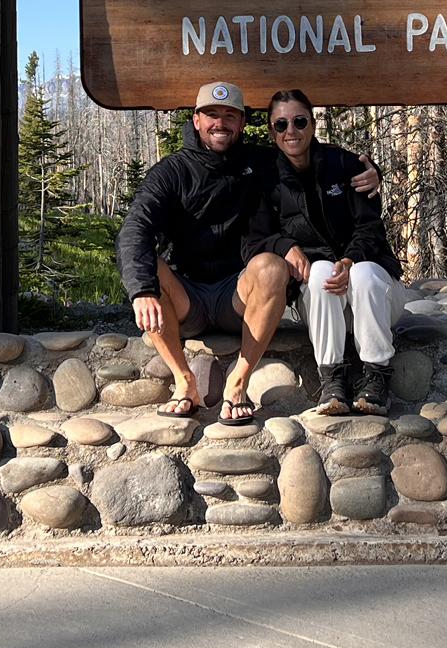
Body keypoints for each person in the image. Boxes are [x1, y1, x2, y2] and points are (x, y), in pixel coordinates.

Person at [117, 79, 380, 424]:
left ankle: (237, 382)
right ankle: (184, 382)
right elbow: (134, 229)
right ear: (196, 120)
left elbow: (311, 160)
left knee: (271, 266)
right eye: (212, 114)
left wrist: (371, 174)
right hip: (186, 298)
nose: (220, 123)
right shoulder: (171, 172)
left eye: (230, 115)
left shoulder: (261, 162)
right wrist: (142, 291)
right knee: (147, 265)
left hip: (236, 294)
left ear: (242, 123)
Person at [247, 89, 408, 415]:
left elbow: (370, 227)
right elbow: (255, 237)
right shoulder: (266, 179)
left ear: (313, 123)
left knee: (362, 272)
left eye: (299, 121)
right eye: (281, 124)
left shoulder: (348, 166)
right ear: (271, 131)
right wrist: (285, 246)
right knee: (319, 270)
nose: (290, 131)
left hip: (374, 295)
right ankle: (333, 378)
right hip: (323, 304)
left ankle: (376, 377)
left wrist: (350, 259)